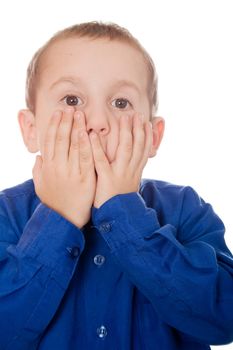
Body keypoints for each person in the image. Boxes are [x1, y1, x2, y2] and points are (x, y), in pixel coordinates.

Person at [0, 21, 233, 350]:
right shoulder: (6, 213)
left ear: (153, 136)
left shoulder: (184, 208)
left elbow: (224, 319)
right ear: (31, 129)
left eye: (120, 103)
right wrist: (59, 217)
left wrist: (124, 212)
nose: (97, 122)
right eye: (71, 100)